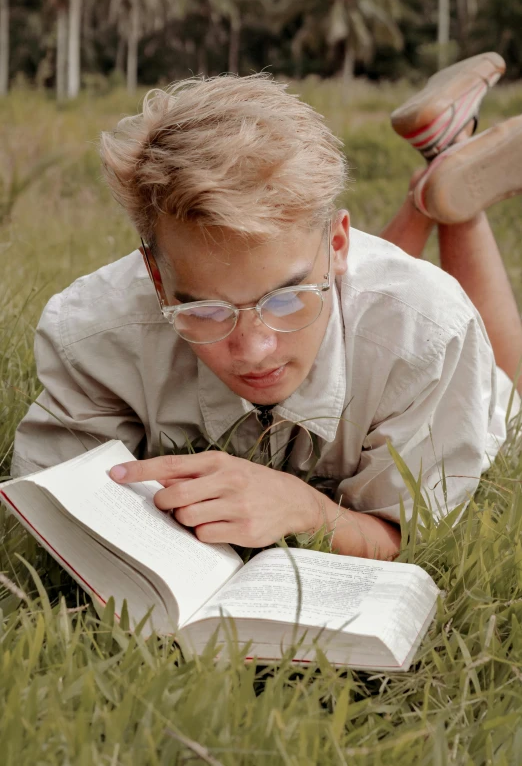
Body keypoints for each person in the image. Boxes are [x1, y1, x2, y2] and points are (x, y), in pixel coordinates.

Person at [11, 54, 522, 561]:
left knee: (508, 390)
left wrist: (306, 509)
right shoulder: (91, 333)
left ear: (340, 244)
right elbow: (50, 518)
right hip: (355, 295)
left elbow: (413, 538)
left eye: (286, 298)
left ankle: (452, 176)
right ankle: (444, 159)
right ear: (155, 276)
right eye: (207, 311)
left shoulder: (431, 331)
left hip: (421, 335)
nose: (255, 351)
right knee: (354, 309)